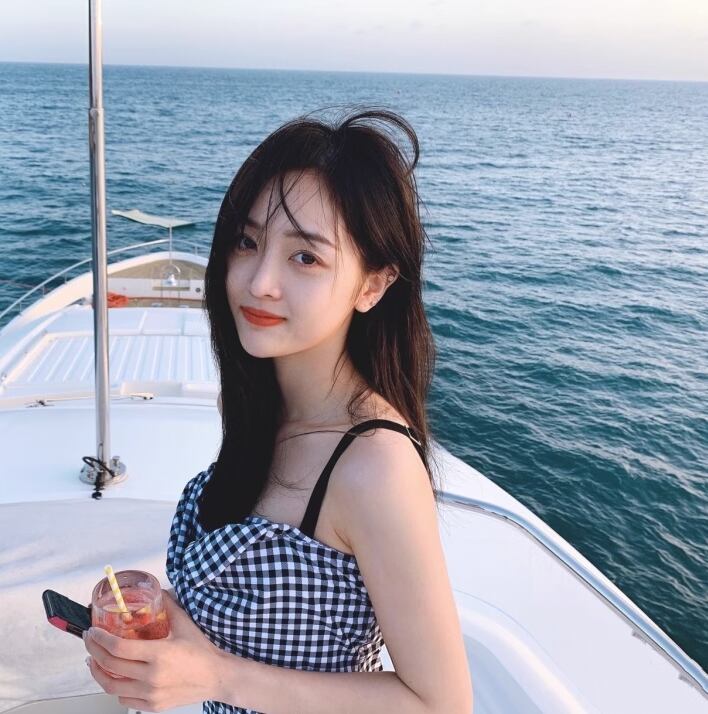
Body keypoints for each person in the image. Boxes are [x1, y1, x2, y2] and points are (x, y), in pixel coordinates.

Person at [83, 107, 474, 714]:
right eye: (248, 242)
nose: (259, 280)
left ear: (372, 285)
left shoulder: (373, 465)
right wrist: (169, 621)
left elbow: (440, 705)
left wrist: (218, 676)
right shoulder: (262, 405)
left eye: (305, 257)